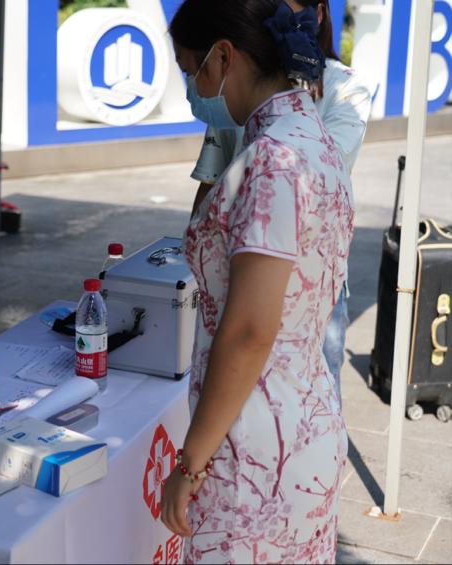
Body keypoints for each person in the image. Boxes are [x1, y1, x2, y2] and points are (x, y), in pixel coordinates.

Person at [160, 1, 353, 563]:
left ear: (224, 57)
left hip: (254, 452)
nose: (193, 90)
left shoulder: (273, 160)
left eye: (192, 70)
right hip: (304, 422)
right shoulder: (313, 136)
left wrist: (190, 463)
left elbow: (249, 331)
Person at [189, 0, 371, 404]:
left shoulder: (343, 90)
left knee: (305, 388)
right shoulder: (234, 86)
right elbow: (209, 181)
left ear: (318, 14)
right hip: (231, 270)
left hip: (306, 274)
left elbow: (311, 177)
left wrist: (198, 449)